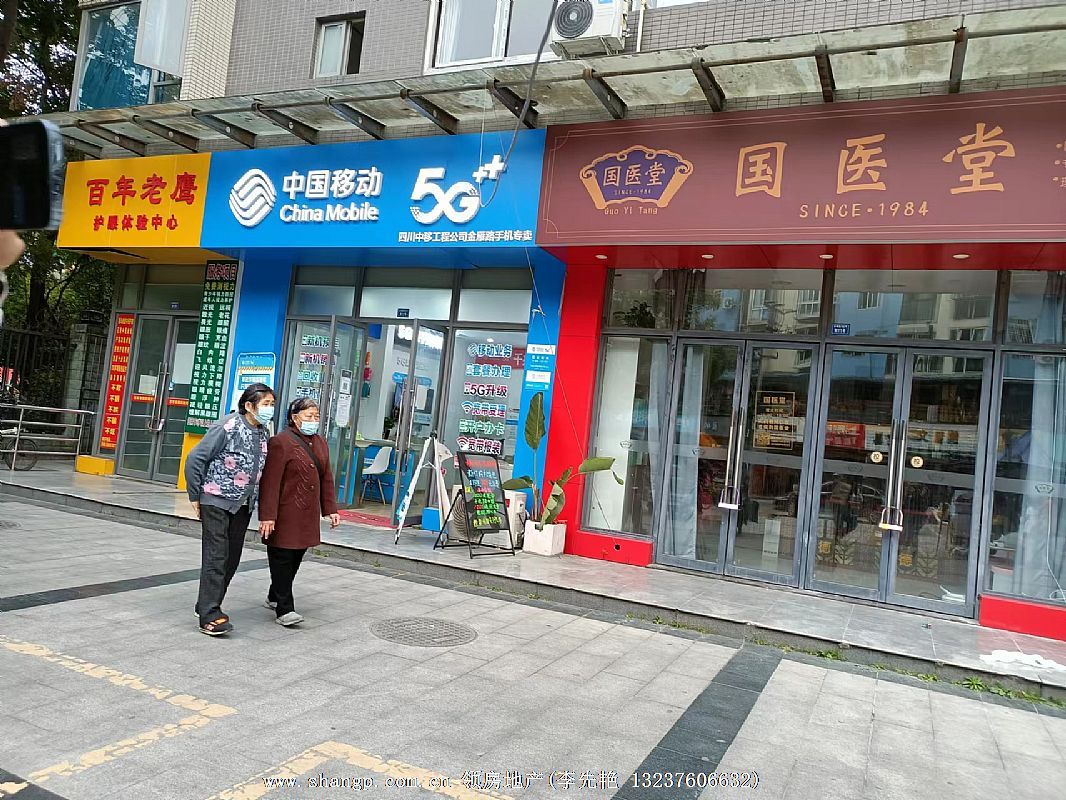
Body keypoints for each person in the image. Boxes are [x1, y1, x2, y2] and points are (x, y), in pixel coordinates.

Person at [184, 383, 275, 635]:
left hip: (243, 504)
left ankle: (206, 603)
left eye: (272, 404)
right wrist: (195, 495)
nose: (269, 409)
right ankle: (210, 615)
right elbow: (195, 458)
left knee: (232, 557)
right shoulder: (228, 426)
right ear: (249, 405)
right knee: (216, 556)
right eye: (265, 404)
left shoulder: (264, 432)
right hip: (215, 499)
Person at [257, 397, 340, 627]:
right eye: (308, 416)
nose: (313, 420)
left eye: (316, 416)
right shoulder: (280, 442)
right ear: (294, 418)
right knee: (282, 557)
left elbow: (326, 478)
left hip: (307, 513)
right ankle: (285, 608)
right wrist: (267, 516)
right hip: (284, 513)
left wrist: (331, 509)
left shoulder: (320, 443)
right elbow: (270, 482)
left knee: (296, 556)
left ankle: (275, 594)